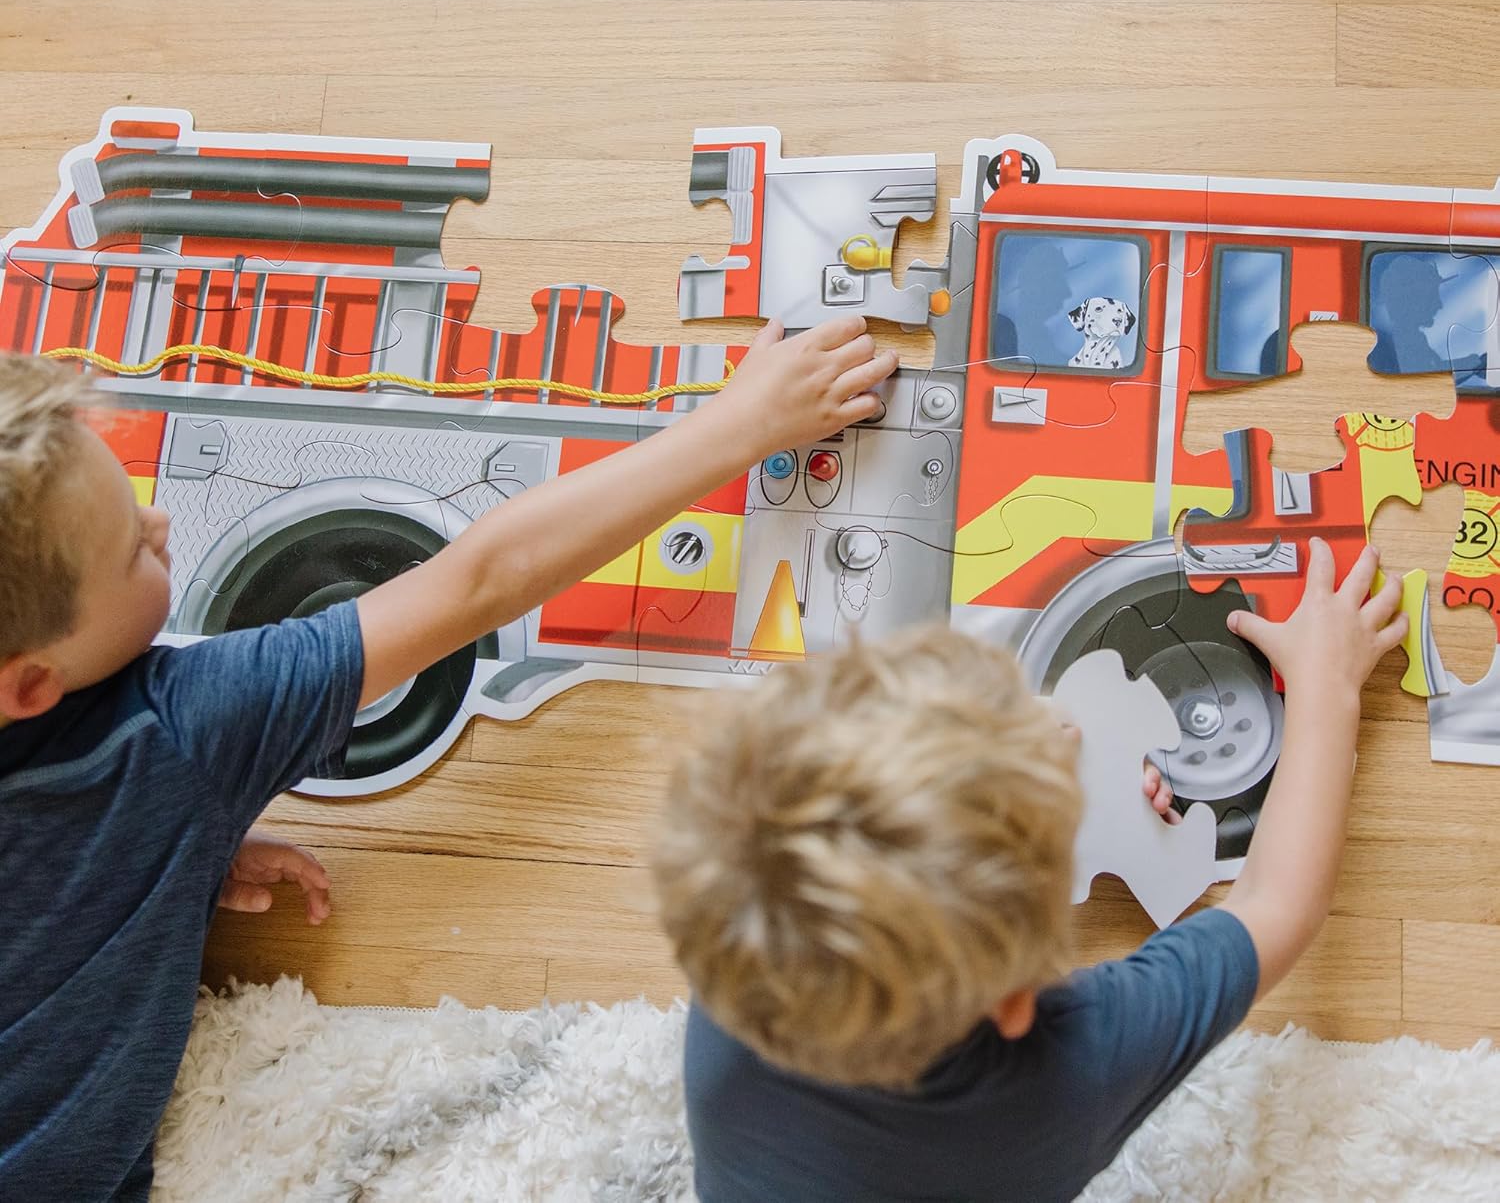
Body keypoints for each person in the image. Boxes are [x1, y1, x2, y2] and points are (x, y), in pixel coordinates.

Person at [0, 315, 896, 1202]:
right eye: (132, 550)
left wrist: (166, 857)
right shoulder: (173, 731)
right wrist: (740, 426)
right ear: (30, 683)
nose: (159, 519)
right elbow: (481, 580)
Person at [653, 537, 1406, 1203]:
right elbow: (1278, 903)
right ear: (1016, 1003)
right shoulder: (1071, 1071)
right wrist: (1326, 688)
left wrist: (1007, 797)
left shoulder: (738, 966)